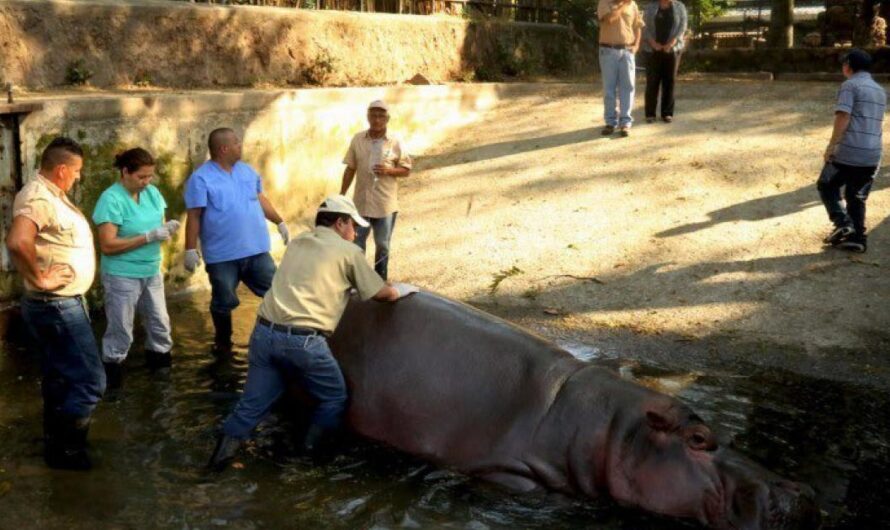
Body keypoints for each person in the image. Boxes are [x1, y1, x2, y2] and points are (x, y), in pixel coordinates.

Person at [208, 195, 416, 470]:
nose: (356, 233)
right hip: (303, 343)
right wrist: (403, 290)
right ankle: (308, 461)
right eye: (354, 226)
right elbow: (381, 293)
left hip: (263, 335)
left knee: (250, 407)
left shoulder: (298, 243)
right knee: (333, 397)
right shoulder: (348, 252)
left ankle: (214, 467)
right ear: (340, 223)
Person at [6, 137, 104, 470]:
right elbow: (18, 241)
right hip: (56, 304)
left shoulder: (51, 194)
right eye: (77, 172)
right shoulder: (38, 197)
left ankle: (54, 446)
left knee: (60, 377)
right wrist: (41, 278)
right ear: (62, 169)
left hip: (58, 303)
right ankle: (70, 452)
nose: (78, 177)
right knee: (91, 381)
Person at [183, 128, 289, 355]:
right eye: (236, 143)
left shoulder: (247, 171)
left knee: (277, 293)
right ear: (223, 148)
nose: (240, 146)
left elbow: (261, 199)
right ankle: (223, 343)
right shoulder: (201, 178)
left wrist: (279, 222)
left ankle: (281, 337)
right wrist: (190, 249)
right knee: (223, 302)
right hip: (222, 256)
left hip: (256, 250)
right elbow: (194, 215)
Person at [92, 148, 180, 389]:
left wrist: (167, 230)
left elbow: (157, 226)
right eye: (141, 177)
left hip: (151, 270)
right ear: (125, 172)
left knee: (160, 324)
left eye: (150, 176)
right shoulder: (111, 199)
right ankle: (112, 380)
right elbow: (108, 246)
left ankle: (161, 378)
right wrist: (148, 237)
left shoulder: (152, 193)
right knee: (121, 330)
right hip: (122, 274)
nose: (147, 181)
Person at [818, 49, 886, 253]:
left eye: (843, 64)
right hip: (873, 153)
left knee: (826, 184)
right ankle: (857, 238)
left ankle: (843, 223)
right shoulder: (879, 90)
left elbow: (843, 117)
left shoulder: (850, 86)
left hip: (849, 151)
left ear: (848, 65)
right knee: (856, 196)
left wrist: (832, 146)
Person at [339, 100, 413, 280]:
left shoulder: (395, 141)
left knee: (383, 245)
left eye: (381, 116)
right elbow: (350, 168)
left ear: (387, 119)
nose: (377, 119)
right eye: (373, 115)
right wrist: (341, 194)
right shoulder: (358, 139)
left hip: (384, 205)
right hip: (361, 204)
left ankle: (380, 281)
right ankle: (359, 281)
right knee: (356, 244)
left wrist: (389, 171)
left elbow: (406, 169)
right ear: (367, 117)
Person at [598, 0, 645, 137]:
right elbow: (610, 19)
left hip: (627, 51)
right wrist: (623, 4)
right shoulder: (604, 3)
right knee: (609, 89)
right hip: (608, 51)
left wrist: (636, 46)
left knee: (628, 87)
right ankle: (610, 122)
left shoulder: (633, 5)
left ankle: (625, 123)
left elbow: (638, 26)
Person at [642, 0, 688, 123]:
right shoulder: (650, 7)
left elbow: (682, 27)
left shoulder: (680, 7)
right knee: (652, 81)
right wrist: (653, 43)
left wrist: (671, 43)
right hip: (652, 49)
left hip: (672, 49)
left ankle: (667, 113)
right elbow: (643, 27)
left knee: (670, 81)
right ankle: (650, 113)